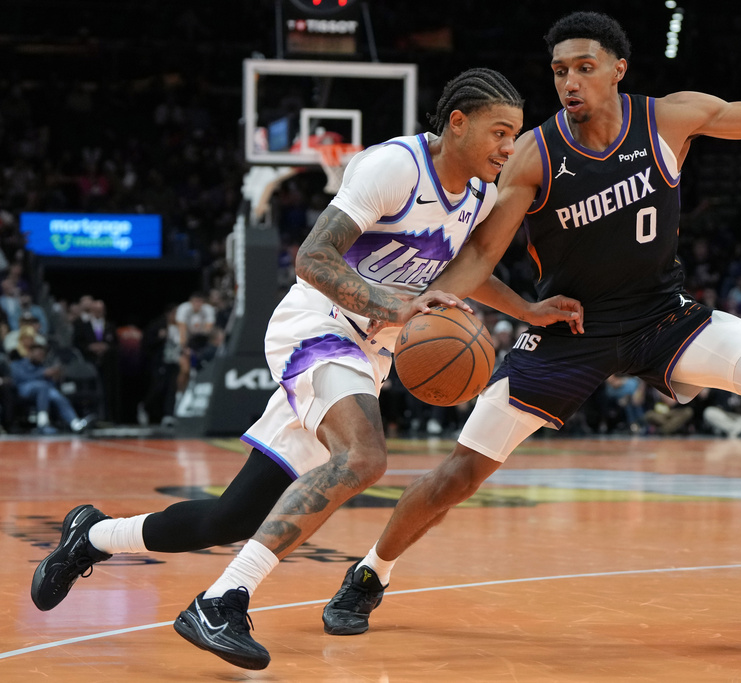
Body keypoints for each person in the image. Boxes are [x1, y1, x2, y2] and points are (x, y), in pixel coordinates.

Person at [320, 11, 741, 647]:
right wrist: (426, 301)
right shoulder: (534, 154)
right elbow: (479, 256)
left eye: (584, 67)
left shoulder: (668, 118)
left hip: (661, 314)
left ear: (617, 70)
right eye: (559, 72)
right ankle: (369, 573)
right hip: (570, 330)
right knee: (462, 474)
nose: (570, 82)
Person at [30, 69, 580, 670]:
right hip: (316, 327)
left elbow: (468, 273)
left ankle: (92, 535)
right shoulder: (393, 167)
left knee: (228, 518)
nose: (509, 147)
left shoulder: (475, 196)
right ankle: (221, 602)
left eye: (515, 135)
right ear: (457, 122)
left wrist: (526, 308)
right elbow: (312, 258)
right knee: (364, 458)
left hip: (367, 354)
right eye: (500, 132)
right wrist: (394, 305)